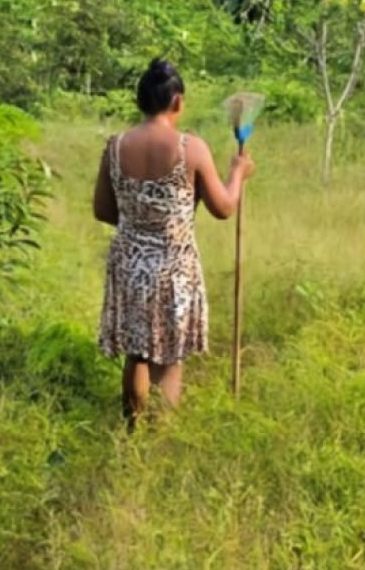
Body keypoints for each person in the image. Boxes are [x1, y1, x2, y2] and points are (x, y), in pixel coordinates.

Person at [93, 58, 254, 429]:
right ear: (178, 102)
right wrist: (238, 173)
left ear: (140, 101)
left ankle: (132, 430)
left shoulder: (115, 147)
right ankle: (160, 437)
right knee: (169, 356)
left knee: (137, 354)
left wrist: (139, 222)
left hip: (129, 265)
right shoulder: (190, 149)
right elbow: (224, 208)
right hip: (173, 268)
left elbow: (103, 210)